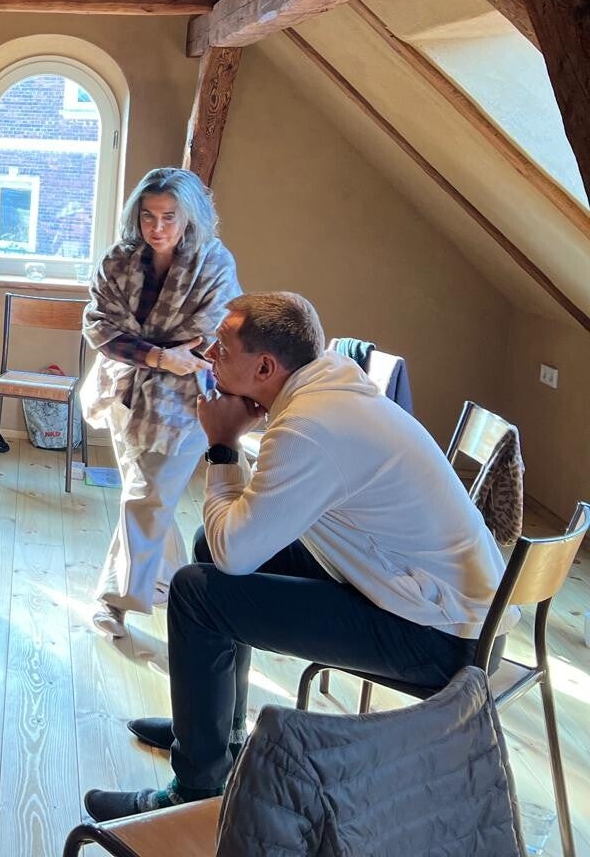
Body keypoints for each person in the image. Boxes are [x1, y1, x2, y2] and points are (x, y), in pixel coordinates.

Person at [83, 292, 510, 823]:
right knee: (206, 549)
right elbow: (241, 533)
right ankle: (214, 734)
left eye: (222, 348)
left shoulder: (310, 424)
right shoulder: (328, 381)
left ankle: (193, 789)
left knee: (197, 591)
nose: (209, 354)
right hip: (429, 597)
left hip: (439, 636)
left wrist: (222, 444)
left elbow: (236, 553)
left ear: (265, 367)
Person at [81, 167, 239, 638]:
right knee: (148, 493)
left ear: (190, 217)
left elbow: (211, 331)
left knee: (146, 494)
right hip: (123, 390)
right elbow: (98, 323)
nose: (157, 227)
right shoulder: (118, 259)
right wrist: (158, 355)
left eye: (169, 216)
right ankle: (167, 584)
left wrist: (143, 346)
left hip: (187, 400)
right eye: (148, 215)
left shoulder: (214, 262)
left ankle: (115, 598)